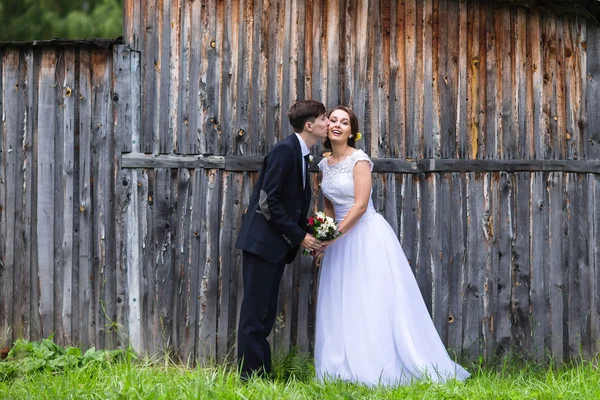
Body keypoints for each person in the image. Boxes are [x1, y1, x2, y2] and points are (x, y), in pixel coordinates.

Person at [314, 106, 470, 386]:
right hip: (337, 240)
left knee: (372, 300)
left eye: (345, 122)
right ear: (326, 128)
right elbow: (328, 206)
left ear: (352, 131)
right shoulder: (324, 165)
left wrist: (333, 235)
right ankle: (342, 366)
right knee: (342, 300)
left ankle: (379, 366)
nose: (337, 125)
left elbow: (360, 206)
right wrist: (321, 235)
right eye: (333, 120)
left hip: (364, 237)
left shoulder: (359, 161)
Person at [236, 100, 329, 379]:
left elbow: (290, 205)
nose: (328, 123)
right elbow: (268, 202)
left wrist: (311, 232)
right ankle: (250, 378)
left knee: (263, 315)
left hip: (274, 248)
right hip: (261, 246)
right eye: (324, 119)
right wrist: (301, 237)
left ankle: (260, 375)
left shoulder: (302, 155)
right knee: (255, 316)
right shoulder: (284, 151)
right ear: (310, 125)